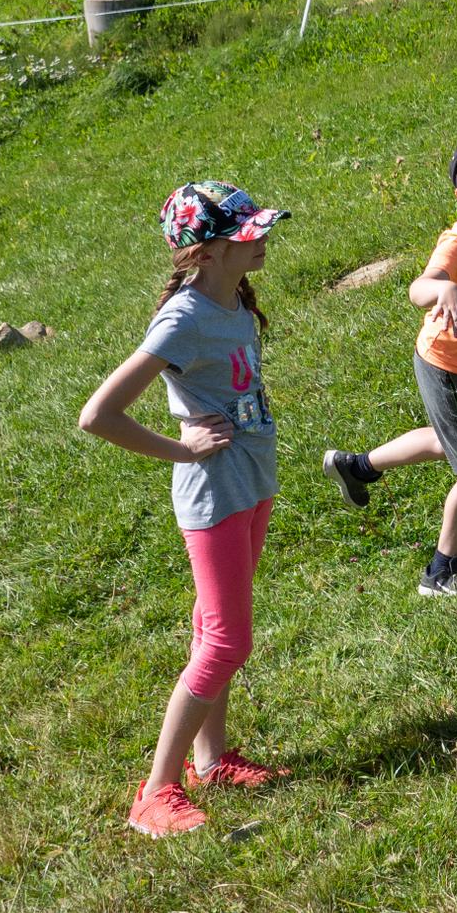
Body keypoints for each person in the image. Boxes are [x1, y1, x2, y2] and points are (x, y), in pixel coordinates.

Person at [77, 182, 291, 837]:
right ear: (209, 250)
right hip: (213, 495)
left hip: (251, 481)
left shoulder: (231, 299)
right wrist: (180, 448)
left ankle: (212, 760)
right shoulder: (183, 318)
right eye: (247, 233)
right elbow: (98, 416)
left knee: (214, 632)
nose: (262, 239)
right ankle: (156, 790)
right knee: (228, 640)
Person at [320, 139, 457, 599]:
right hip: (450, 365)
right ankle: (441, 572)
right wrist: (440, 291)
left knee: (451, 442)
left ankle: (356, 467)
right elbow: (422, 285)